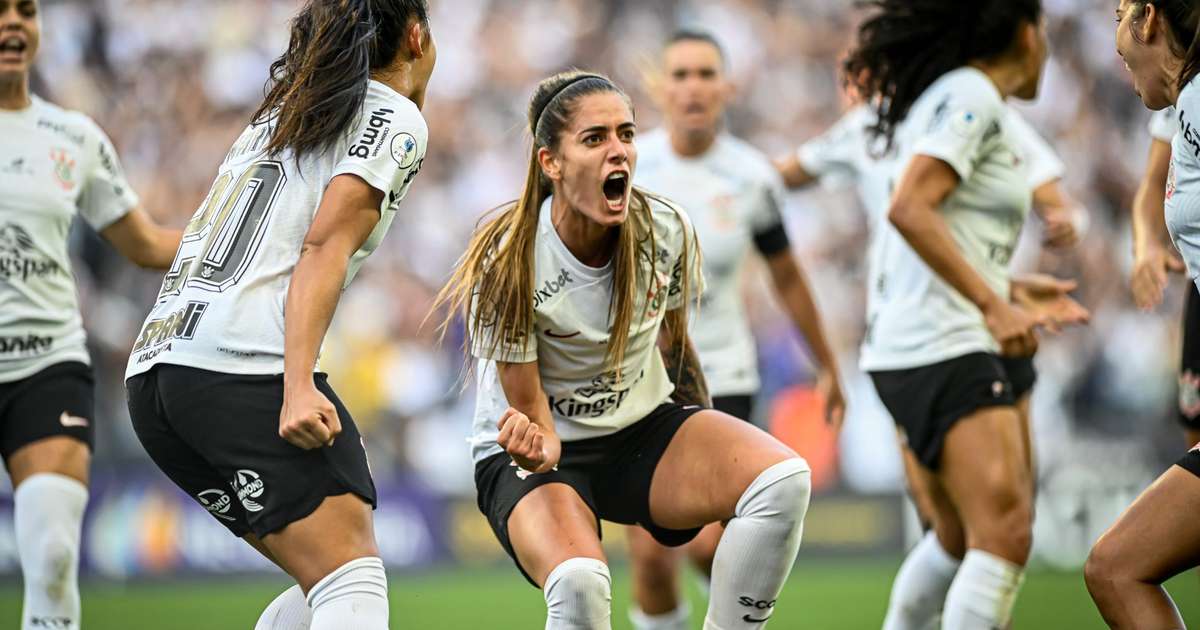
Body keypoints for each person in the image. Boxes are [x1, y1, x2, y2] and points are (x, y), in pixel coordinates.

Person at [433, 70, 812, 630]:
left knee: (783, 482)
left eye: (627, 134)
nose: (619, 151)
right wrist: (536, 451)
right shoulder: (509, 261)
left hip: (641, 435)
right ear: (550, 164)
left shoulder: (666, 228)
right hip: (541, 452)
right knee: (582, 584)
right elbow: (532, 415)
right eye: (595, 139)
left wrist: (699, 433)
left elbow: (676, 347)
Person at [122, 1, 435, 628]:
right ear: (416, 35)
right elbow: (324, 246)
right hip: (242, 368)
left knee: (327, 578)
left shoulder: (278, 118)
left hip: (158, 377)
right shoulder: (394, 117)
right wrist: (295, 387)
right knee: (353, 579)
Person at [777, 82, 1089, 630]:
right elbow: (784, 176)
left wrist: (1063, 229)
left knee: (981, 534)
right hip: (932, 336)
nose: (856, 86)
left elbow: (1054, 196)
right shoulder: (872, 126)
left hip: (985, 325)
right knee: (985, 536)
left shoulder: (977, 107)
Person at [841, 1, 1058, 627]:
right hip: (941, 342)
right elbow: (909, 209)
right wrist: (993, 304)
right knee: (1005, 536)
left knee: (959, 537)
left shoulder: (951, 95)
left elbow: (938, 230)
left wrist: (1008, 289)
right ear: (1024, 32)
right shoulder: (974, 95)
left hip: (918, 342)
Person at [622, 30, 844, 630]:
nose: (693, 87)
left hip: (724, 378)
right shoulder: (629, 166)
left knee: (704, 545)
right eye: (681, 75)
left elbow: (789, 277)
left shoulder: (752, 175)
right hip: (640, 385)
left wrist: (827, 364)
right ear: (660, 88)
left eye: (705, 74)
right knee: (649, 556)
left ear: (728, 87)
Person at [0, 1, 182, 627]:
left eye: (25, 11)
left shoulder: (72, 138)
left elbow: (145, 244)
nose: (13, 24)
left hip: (47, 364)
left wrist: (246, 242)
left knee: (52, 557)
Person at [1087, 2, 1200, 627]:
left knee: (1114, 567)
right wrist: (1146, 245)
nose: (1115, 32)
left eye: (1122, 12)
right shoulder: (1183, 105)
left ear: (1151, 18)